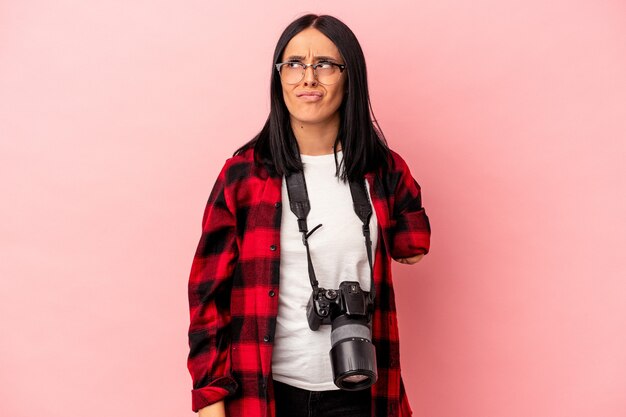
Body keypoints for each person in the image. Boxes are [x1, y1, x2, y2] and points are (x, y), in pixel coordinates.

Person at [187, 14, 431, 417]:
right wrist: (210, 397)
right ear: (278, 76)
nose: (308, 78)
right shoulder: (245, 175)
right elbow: (205, 294)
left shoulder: (384, 170)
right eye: (295, 64)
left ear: (350, 77)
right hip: (266, 393)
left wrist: (395, 196)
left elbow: (413, 245)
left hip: (363, 392)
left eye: (325, 65)